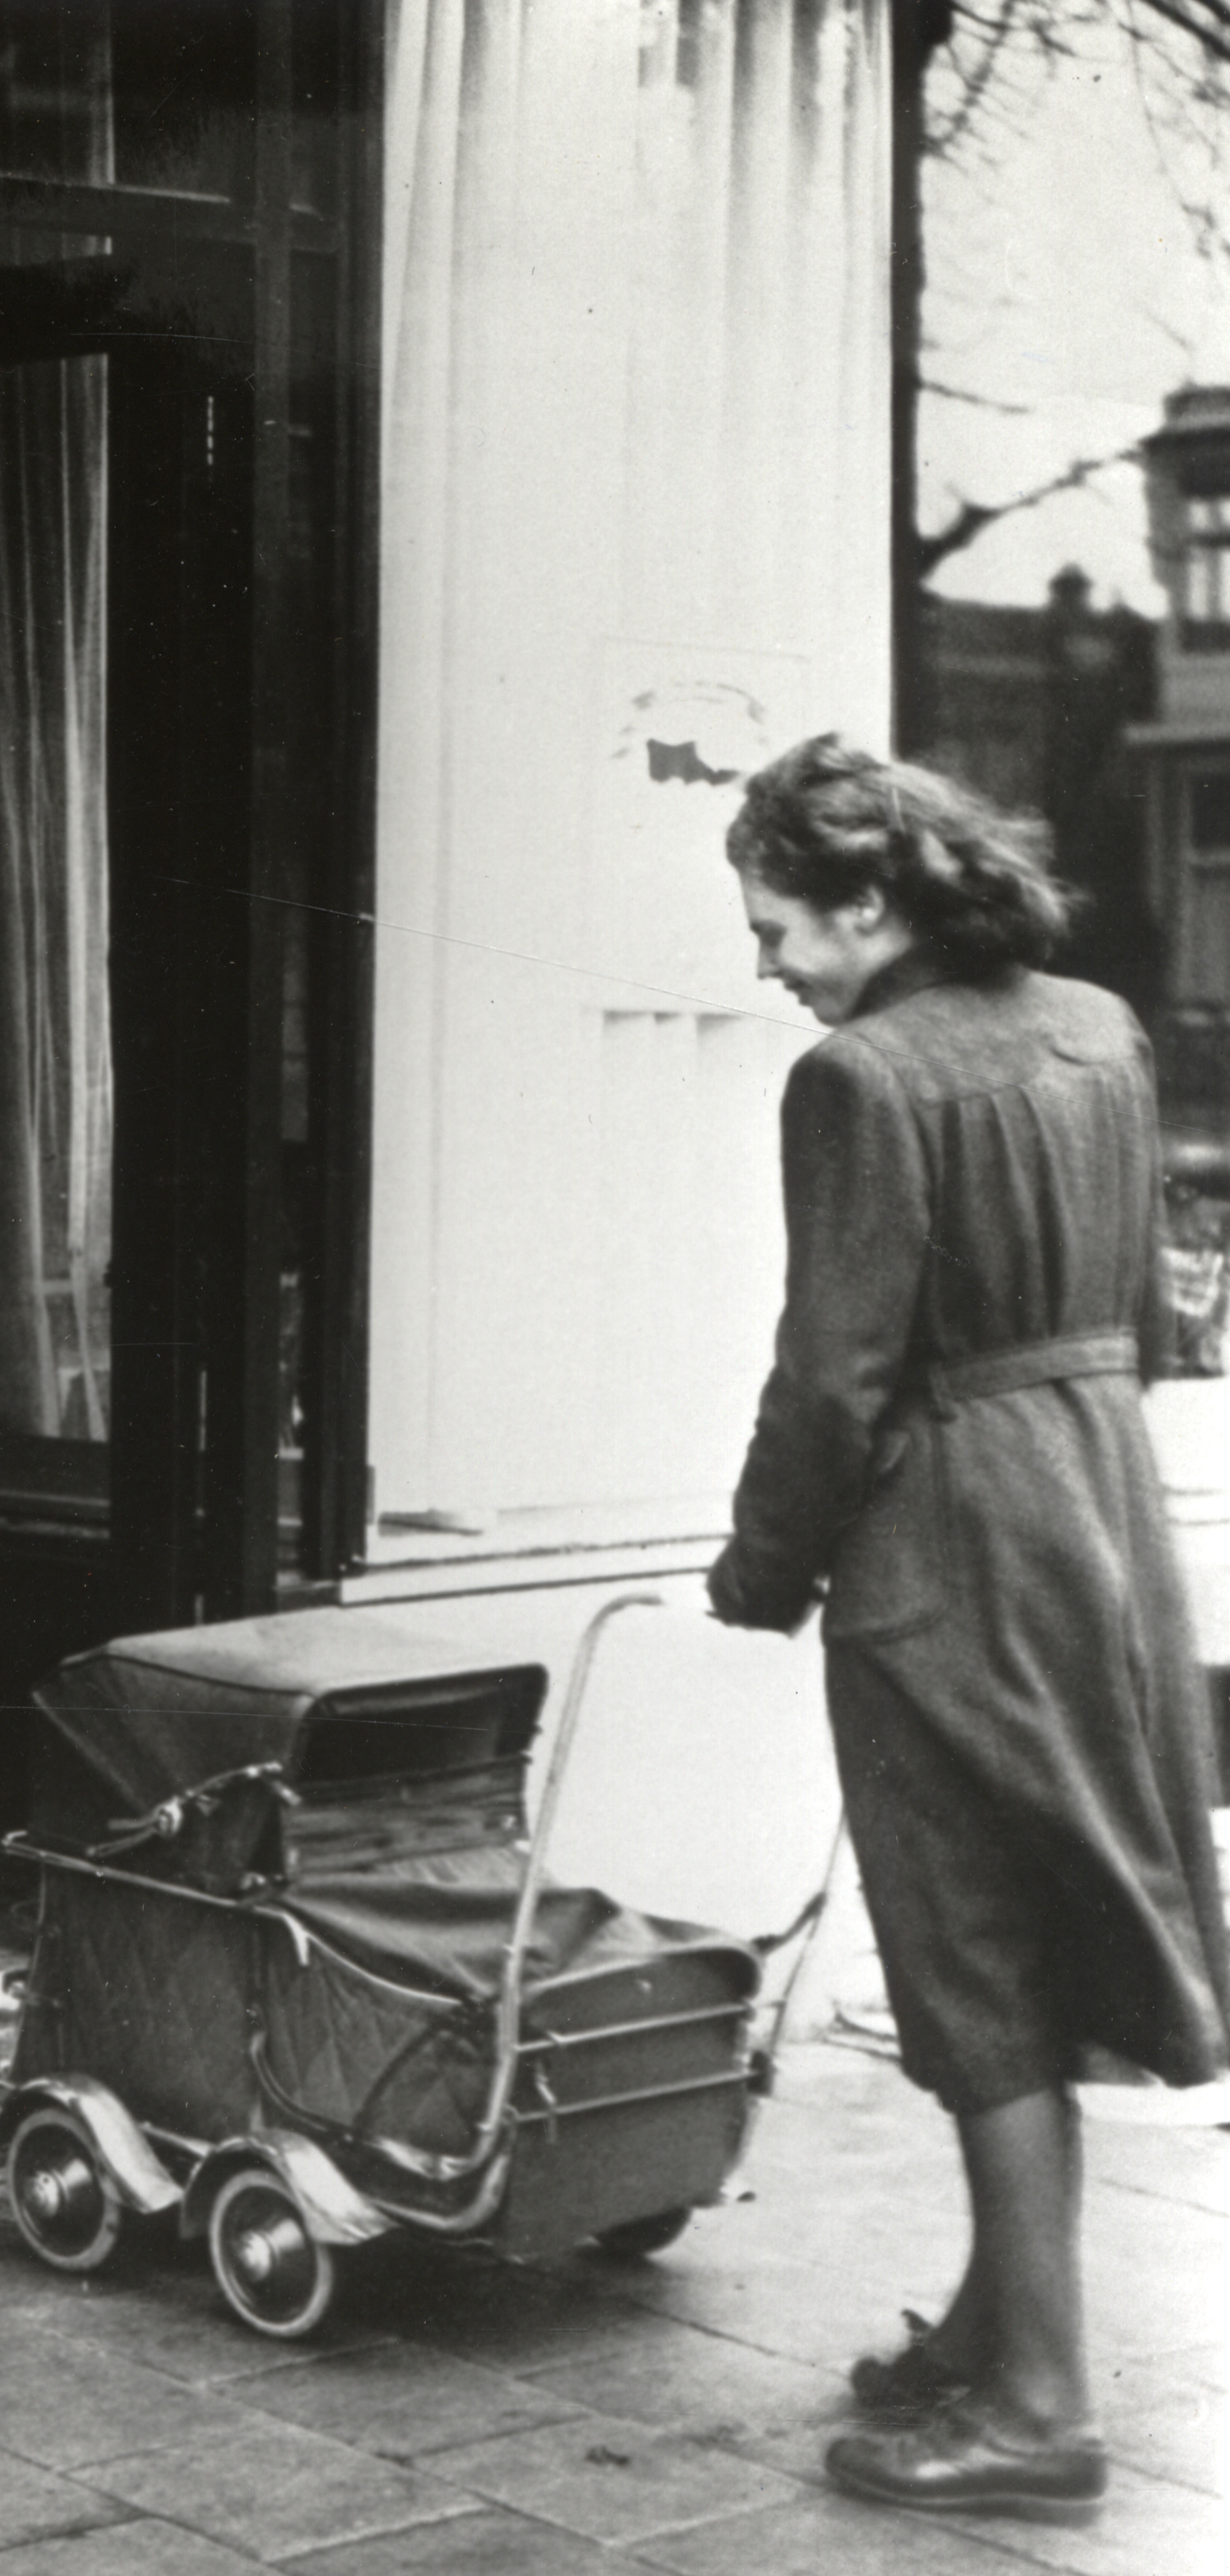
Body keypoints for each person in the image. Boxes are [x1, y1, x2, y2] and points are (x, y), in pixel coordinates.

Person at [707, 735, 1230, 2524]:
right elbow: (1150, 1302)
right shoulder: (1091, 1023)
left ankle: (1030, 2404)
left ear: (866, 901)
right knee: (1043, 1911)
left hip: (943, 1527)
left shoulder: (851, 1080)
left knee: (969, 1955)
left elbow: (831, 1375)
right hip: (1091, 1503)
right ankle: (1001, 2319)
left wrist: (754, 1572)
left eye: (773, 921)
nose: (762, 958)